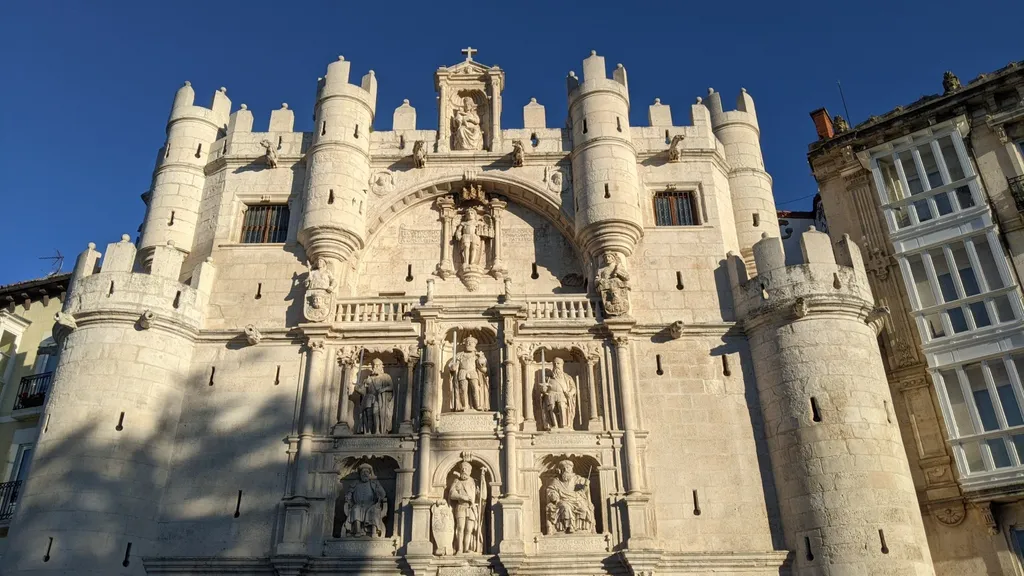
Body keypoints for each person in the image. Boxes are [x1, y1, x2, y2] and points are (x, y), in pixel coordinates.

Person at [544, 460, 595, 534]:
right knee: (566, 507)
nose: (566, 470)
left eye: (568, 468)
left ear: (571, 469)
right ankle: (569, 526)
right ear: (560, 470)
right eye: (563, 468)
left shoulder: (577, 478)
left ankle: (584, 529)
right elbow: (551, 490)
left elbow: (584, 489)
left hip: (576, 499)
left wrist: (586, 484)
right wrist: (553, 495)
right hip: (562, 501)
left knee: (584, 509)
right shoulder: (555, 481)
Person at [342, 463, 387, 537]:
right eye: (362, 472)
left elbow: (383, 494)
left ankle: (373, 532)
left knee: (374, 510)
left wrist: (378, 489)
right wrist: (348, 498)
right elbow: (349, 493)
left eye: (366, 472)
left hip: (371, 505)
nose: (364, 474)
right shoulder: (355, 483)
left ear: (369, 474)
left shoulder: (374, 483)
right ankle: (357, 531)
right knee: (356, 509)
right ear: (360, 474)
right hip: (358, 505)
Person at [350, 358, 394, 435]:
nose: (374, 367)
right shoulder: (368, 378)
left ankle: (377, 430)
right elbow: (363, 391)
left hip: (379, 398)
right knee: (369, 415)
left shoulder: (386, 377)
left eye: (377, 365)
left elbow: (391, 387)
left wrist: (383, 389)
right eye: (373, 365)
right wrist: (358, 388)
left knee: (376, 413)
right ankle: (368, 431)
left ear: (381, 366)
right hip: (369, 398)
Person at [448, 336, 488, 411]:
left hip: (473, 372)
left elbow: (483, 367)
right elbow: (452, 365)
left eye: (471, 342)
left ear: (475, 344)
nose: (469, 344)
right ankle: (464, 405)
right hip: (462, 372)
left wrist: (481, 359)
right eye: (467, 342)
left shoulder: (477, 355)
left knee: (475, 388)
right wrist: (452, 367)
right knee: (463, 390)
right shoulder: (459, 355)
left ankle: (477, 405)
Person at [448, 461, 480, 554]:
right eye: (462, 468)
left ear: (470, 471)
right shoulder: (457, 481)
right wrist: (463, 497)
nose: (464, 470)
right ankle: (459, 549)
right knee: (460, 528)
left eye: (466, 468)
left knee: (469, 529)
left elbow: (482, 496)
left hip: (471, 508)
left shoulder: (474, 481)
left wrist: (482, 484)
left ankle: (466, 549)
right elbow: (451, 494)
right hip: (461, 507)